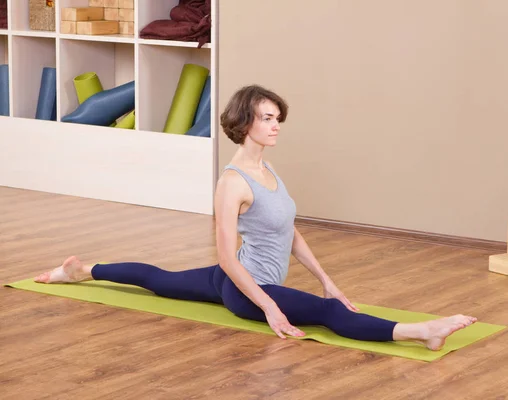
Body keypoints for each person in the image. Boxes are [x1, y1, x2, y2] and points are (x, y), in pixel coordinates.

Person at [34, 85, 477, 351]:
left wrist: (328, 280)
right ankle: (421, 332)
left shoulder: (266, 169)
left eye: (278, 118)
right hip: (248, 289)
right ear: (246, 122)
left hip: (239, 279)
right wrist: (270, 308)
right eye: (267, 118)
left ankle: (80, 270)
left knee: (161, 280)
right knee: (324, 315)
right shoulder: (232, 183)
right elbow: (227, 258)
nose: (276, 125)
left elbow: (290, 232)